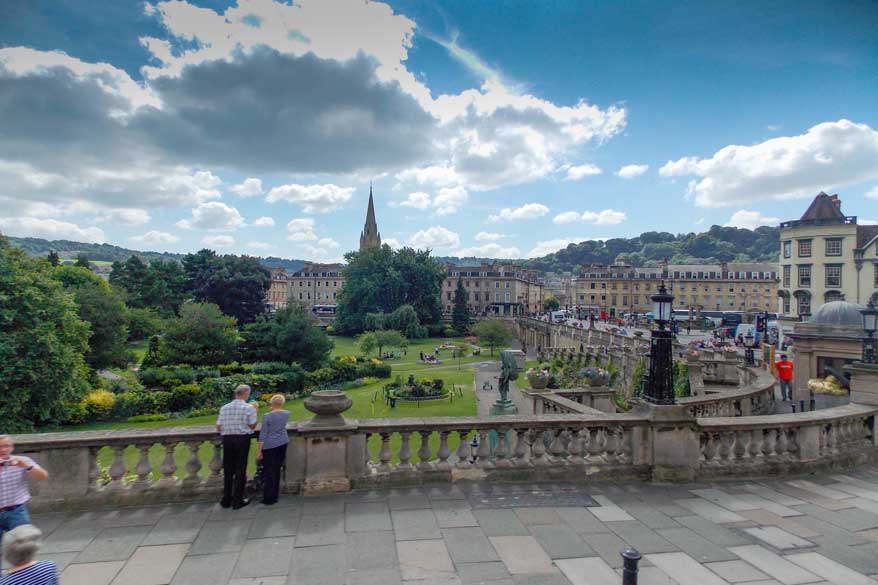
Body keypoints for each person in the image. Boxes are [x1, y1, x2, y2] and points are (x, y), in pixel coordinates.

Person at [0, 435, 49, 549]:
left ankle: (24, 567)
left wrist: (26, 467)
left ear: (12, 447)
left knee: (24, 546)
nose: (3, 450)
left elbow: (43, 476)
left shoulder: (22, 460)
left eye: (6, 446)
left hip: (16, 511)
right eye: (0, 447)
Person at [216, 384, 257, 509]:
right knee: (240, 469)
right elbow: (252, 426)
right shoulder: (249, 408)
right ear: (246, 394)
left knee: (228, 470)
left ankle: (226, 499)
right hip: (241, 439)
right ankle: (237, 500)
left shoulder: (224, 408)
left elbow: (218, 427)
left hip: (227, 439)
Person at [256, 395, 290, 506]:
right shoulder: (286, 413)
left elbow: (263, 434)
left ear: (271, 403)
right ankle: (274, 495)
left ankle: (268, 498)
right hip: (282, 442)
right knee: (276, 469)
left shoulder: (267, 416)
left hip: (270, 445)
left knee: (269, 471)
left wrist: (259, 451)